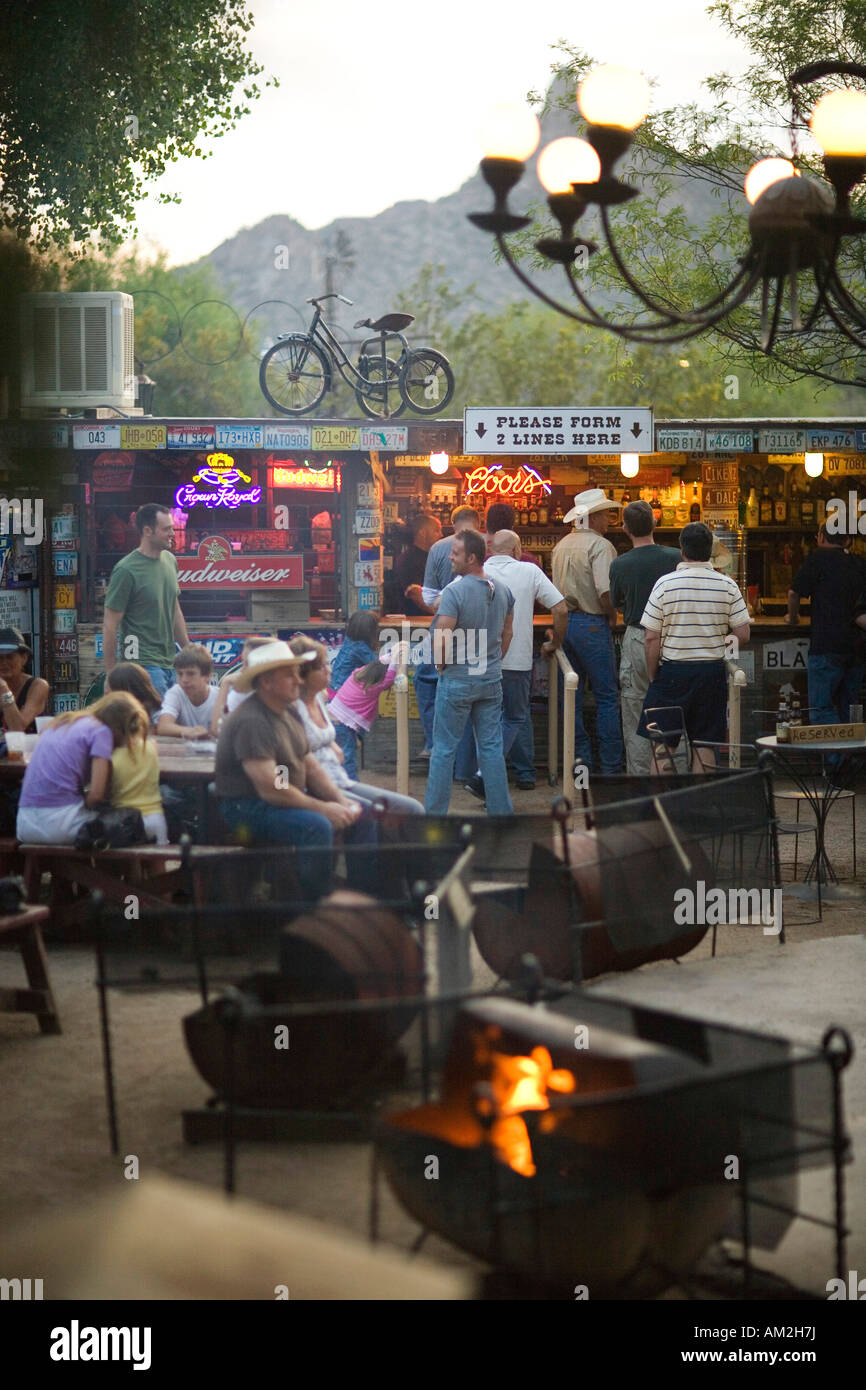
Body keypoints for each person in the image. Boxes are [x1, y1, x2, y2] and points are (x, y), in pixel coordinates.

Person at [215, 642, 377, 902]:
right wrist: (324, 808)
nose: (297, 679)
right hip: (246, 807)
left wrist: (340, 800)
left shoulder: (287, 710)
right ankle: (311, 910)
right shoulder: (253, 720)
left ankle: (360, 903)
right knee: (316, 826)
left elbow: (310, 765)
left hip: (275, 799)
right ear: (267, 682)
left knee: (362, 814)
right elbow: (272, 788)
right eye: (289, 674)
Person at [638, 522, 751, 773]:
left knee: (662, 748)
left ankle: (662, 807)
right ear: (710, 550)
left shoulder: (665, 584)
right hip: (710, 674)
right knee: (704, 746)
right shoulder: (727, 585)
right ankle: (698, 808)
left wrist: (653, 673)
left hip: (672, 674)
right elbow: (743, 633)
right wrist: (714, 642)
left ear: (682, 550)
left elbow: (651, 637)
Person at [461, 530, 566, 798]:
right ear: (518, 550)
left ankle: (485, 775)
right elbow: (561, 608)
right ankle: (496, 775)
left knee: (485, 719)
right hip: (516, 660)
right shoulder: (529, 571)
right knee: (517, 717)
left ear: (489, 550)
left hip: (478, 660)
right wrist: (554, 643)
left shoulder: (474, 572)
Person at [424, 529, 514, 815]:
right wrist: (493, 662)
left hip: (458, 680)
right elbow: (507, 633)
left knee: (443, 750)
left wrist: (441, 667)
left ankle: (434, 816)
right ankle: (501, 812)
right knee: (490, 748)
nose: (450, 556)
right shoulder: (503, 590)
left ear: (472, 557)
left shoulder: (454, 591)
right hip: (490, 679)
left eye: (456, 553)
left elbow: (442, 635)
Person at [290, 636, 423, 814]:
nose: (330, 670)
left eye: (327, 664)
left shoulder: (319, 699)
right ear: (303, 674)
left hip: (334, 782)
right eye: (321, 667)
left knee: (412, 809)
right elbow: (284, 773)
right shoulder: (286, 712)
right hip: (320, 787)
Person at [552, 488, 625, 774]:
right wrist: (613, 615)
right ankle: (610, 766)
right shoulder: (601, 546)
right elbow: (605, 591)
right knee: (607, 696)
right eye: (605, 514)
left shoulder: (561, 545)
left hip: (565, 624)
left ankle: (579, 760)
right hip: (593, 624)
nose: (608, 519)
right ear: (593, 517)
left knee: (572, 696)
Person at [608, 501, 681, 775]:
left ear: (625, 528)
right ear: (654, 524)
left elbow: (617, 603)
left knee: (635, 707)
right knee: (676, 707)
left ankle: (640, 780)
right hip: (673, 637)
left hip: (638, 636)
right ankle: (674, 776)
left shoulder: (620, 564)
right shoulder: (676, 556)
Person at [16, 692, 143, 844]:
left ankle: (85, 869)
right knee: (124, 826)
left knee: (90, 837)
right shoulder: (101, 731)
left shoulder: (61, 723)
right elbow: (96, 796)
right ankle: (131, 868)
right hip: (59, 824)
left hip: (25, 823)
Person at [407, 506, 481, 761]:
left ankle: (435, 745)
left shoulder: (439, 547)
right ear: (478, 523)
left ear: (452, 524)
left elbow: (428, 597)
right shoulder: (488, 546)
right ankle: (467, 758)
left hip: (443, 628)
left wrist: (440, 600)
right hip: (478, 636)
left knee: (427, 680)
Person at [103, 503, 189, 698]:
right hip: (140, 664)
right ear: (147, 531)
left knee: (170, 721)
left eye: (172, 527)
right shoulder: (126, 570)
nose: (173, 533)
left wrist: (188, 651)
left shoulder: (170, 560)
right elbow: (110, 625)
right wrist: (111, 674)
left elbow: (174, 610)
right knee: (157, 722)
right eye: (167, 529)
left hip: (170, 661)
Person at [788, 523, 866, 724]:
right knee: (849, 707)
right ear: (847, 540)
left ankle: (834, 756)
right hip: (857, 647)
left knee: (821, 708)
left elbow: (794, 593)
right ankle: (849, 754)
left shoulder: (817, 559)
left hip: (826, 645)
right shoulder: (859, 563)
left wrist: (793, 617)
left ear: (821, 537)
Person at [327, 649, 402, 782]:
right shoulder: (372, 688)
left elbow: (377, 664)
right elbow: (389, 678)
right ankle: (351, 789)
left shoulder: (356, 674)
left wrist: (390, 656)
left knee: (336, 758)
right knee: (347, 759)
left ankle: (337, 786)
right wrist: (396, 660)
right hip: (343, 725)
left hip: (333, 720)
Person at [107, 692, 169, 845]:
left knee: (130, 862)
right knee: (157, 862)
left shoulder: (111, 758)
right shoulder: (151, 747)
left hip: (127, 821)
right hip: (156, 818)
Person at [209, 636, 274, 732]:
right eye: (242, 663)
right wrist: (225, 683)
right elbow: (217, 729)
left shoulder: (283, 692)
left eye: (247, 664)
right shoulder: (241, 692)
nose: (242, 669)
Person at [156, 644, 219, 739]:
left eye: (191, 674)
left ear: (207, 676)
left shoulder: (219, 696)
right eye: (180, 674)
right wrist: (193, 731)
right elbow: (163, 727)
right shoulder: (176, 692)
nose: (184, 680)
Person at [0, 627, 49, 733]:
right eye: (0, 658)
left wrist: (4, 690)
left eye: (10, 657)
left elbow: (18, 728)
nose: (4, 663)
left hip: (28, 748)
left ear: (24, 658)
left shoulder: (37, 686)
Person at [392, 514, 442, 616]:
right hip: (415, 625)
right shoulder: (407, 559)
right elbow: (415, 593)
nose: (441, 535)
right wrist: (442, 614)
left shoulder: (434, 557)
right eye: (436, 531)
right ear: (422, 533)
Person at [329, 611, 380, 696]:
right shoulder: (360, 647)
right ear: (369, 631)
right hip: (341, 689)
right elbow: (377, 665)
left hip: (334, 686)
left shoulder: (349, 639)